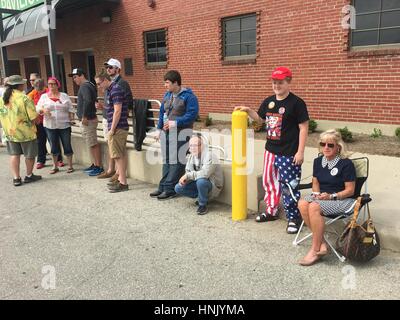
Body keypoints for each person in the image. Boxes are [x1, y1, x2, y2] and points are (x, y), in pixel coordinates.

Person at [235, 66, 309, 234]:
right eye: (274, 82)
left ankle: (293, 217)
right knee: (269, 182)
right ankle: (271, 210)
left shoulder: (297, 103)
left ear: (288, 82)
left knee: (289, 185)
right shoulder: (269, 101)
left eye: (280, 82)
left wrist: (300, 152)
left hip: (289, 152)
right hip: (271, 150)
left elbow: (304, 128)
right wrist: (248, 111)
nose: (276, 85)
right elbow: (260, 120)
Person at [297, 129, 356, 266]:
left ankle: (314, 249)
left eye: (330, 145)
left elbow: (350, 190)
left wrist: (331, 196)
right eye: (323, 144)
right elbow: (316, 182)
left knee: (313, 206)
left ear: (338, 147)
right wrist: (316, 195)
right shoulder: (318, 161)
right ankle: (323, 243)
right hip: (323, 198)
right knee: (302, 203)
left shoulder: (346, 164)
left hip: (342, 200)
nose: (326, 148)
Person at [149, 70, 199, 200]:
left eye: (167, 83)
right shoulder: (167, 95)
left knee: (176, 161)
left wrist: (175, 123)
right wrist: (159, 129)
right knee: (167, 161)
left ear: (176, 83)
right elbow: (162, 112)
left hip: (182, 133)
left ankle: (170, 189)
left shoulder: (189, 96)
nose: (165, 85)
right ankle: (163, 186)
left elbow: (191, 115)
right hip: (167, 133)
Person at [96, 58, 134, 183]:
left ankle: (120, 176)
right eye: (107, 67)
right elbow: (112, 106)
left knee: (118, 152)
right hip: (110, 119)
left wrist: (113, 127)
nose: (108, 69)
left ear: (118, 69)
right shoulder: (110, 87)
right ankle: (114, 172)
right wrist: (104, 107)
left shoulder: (120, 85)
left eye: (111, 67)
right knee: (115, 150)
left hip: (117, 124)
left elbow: (122, 107)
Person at [0, 75, 42, 186]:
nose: (24, 85)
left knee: (14, 155)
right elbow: (34, 118)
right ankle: (29, 175)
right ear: (18, 85)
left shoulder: (3, 99)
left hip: (10, 132)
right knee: (29, 155)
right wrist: (39, 116)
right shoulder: (25, 98)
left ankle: (16, 178)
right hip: (26, 133)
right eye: (22, 83)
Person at [174, 134, 224, 215]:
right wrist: (186, 179)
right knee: (178, 188)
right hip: (199, 182)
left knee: (201, 181)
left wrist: (188, 176)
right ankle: (202, 197)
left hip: (213, 185)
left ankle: (202, 205)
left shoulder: (209, 156)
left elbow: (205, 174)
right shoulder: (191, 156)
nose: (192, 148)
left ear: (202, 146)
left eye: (195, 145)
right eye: (190, 146)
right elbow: (188, 171)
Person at [69, 68, 104, 176]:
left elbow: (89, 101)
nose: (74, 80)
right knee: (91, 143)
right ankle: (94, 164)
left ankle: (98, 167)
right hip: (88, 119)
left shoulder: (85, 86)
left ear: (82, 75)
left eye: (75, 77)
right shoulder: (89, 85)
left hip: (88, 120)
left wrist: (84, 116)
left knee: (93, 143)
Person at [36, 77, 75, 174]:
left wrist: (71, 119)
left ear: (58, 85)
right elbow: (37, 108)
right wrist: (43, 110)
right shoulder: (44, 97)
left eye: (53, 84)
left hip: (64, 124)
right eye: (49, 84)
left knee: (67, 144)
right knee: (53, 145)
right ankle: (55, 166)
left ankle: (70, 166)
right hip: (50, 125)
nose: (51, 86)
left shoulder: (64, 96)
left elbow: (70, 109)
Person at [27, 78, 64, 169]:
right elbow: (30, 107)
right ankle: (40, 160)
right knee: (40, 141)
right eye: (37, 89)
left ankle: (59, 159)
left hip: (50, 120)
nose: (39, 91)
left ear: (44, 86)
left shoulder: (49, 92)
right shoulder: (31, 94)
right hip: (39, 121)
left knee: (53, 140)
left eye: (41, 89)